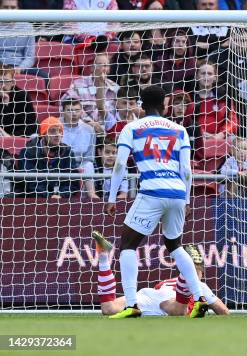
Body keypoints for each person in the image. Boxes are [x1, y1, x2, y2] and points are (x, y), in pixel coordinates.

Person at [104, 85, 208, 318]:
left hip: (152, 190)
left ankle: (132, 304)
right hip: (178, 193)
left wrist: (112, 197)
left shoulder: (132, 127)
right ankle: (199, 299)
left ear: (141, 106)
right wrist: (188, 199)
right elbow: (187, 170)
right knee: (175, 246)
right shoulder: (179, 129)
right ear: (165, 105)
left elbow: (120, 164)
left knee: (128, 245)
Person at [91, 231, 230, 316]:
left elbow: (158, 296)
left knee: (108, 308)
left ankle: (103, 257)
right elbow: (223, 311)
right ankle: (187, 269)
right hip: (167, 300)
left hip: (147, 295)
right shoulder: (200, 286)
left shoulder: (166, 282)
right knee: (179, 311)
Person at [18, 117, 79, 198]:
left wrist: (61, 195)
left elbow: (73, 182)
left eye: (60, 131)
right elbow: (30, 183)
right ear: (43, 134)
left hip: (61, 199)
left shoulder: (67, 151)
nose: (57, 135)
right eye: (52, 131)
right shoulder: (28, 152)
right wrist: (49, 196)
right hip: (34, 199)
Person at [62, 53, 119, 134]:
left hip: (107, 132)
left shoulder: (115, 88)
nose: (103, 68)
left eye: (106, 66)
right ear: (92, 68)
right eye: (100, 65)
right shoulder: (78, 84)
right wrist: (89, 123)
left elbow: (119, 113)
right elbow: (65, 104)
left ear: (109, 69)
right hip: (82, 130)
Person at [0, 0, 50, 82]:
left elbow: (30, 57)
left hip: (20, 67)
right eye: (6, 7)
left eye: (13, 7)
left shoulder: (27, 27)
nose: (9, 10)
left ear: (18, 9)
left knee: (44, 76)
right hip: (1, 66)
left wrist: (20, 68)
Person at [60, 98, 98, 199]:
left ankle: (92, 194)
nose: (74, 113)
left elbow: (89, 157)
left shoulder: (89, 129)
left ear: (81, 111)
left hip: (80, 164)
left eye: (77, 110)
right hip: (60, 163)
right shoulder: (56, 126)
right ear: (62, 112)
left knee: (89, 165)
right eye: (69, 110)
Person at [0, 64, 37, 137]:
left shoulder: (22, 96)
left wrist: (12, 137)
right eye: (0, 81)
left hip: (19, 137)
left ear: (13, 82)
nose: (3, 85)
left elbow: (32, 127)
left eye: (6, 81)